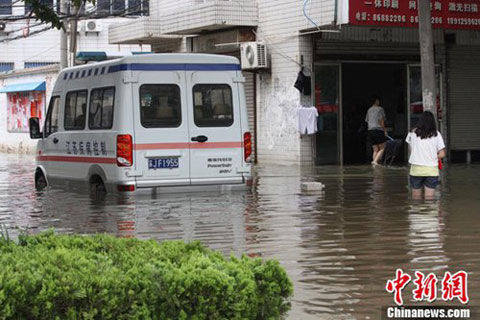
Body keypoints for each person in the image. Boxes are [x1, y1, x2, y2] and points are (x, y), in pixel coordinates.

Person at [406, 111, 446, 200]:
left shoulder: (412, 133)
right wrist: (434, 156)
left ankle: (417, 213)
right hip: (431, 170)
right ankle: (430, 214)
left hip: (416, 169)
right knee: (429, 200)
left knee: (416, 199)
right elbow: (442, 154)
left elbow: (411, 149)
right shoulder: (436, 134)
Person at [365, 97, 388, 165]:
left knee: (375, 150)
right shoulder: (380, 109)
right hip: (378, 130)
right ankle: (375, 161)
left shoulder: (369, 110)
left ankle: (374, 163)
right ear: (376, 101)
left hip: (370, 131)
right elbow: (381, 121)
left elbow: (367, 121)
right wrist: (385, 130)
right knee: (382, 148)